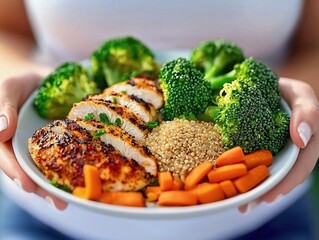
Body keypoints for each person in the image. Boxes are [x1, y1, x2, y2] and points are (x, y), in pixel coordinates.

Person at [0, 0, 318, 239]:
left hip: (266, 219)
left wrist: (300, 96)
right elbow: (7, 30)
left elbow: (312, 46)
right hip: (44, 219)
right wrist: (16, 89)